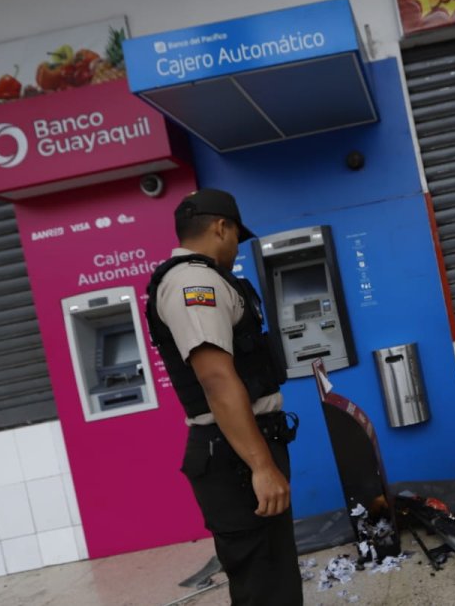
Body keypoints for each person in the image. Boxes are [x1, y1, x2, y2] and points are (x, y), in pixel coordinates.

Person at [145, 189, 303, 606]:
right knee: (263, 586)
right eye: (236, 236)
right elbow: (216, 379)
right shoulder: (193, 282)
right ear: (221, 227)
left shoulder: (203, 279)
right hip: (235, 456)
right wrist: (261, 466)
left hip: (239, 447)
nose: (236, 247)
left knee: (274, 575)